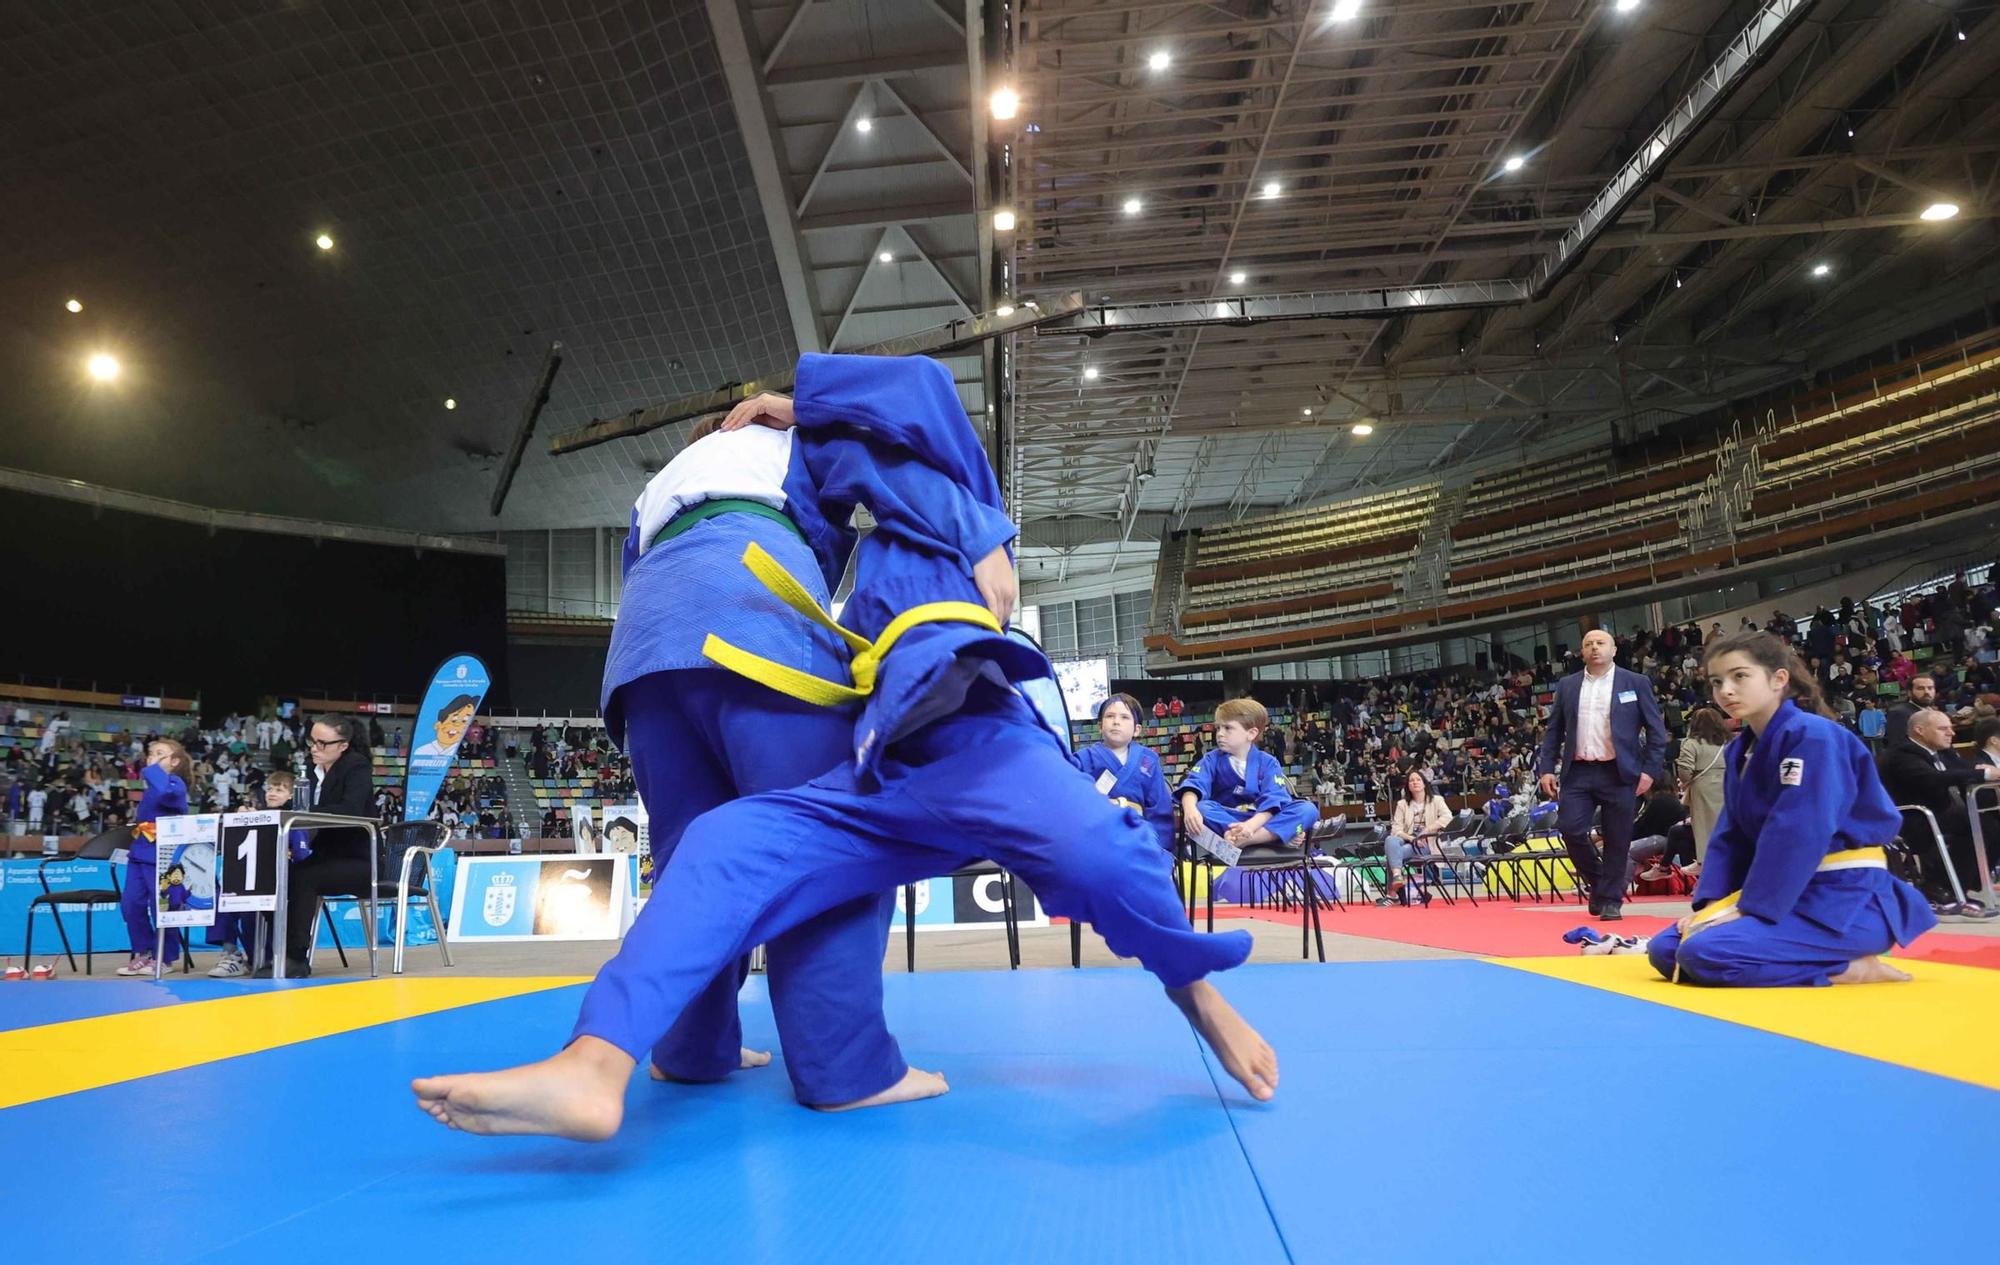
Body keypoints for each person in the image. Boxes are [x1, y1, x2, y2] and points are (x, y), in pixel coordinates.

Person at [413, 354, 1273, 1143]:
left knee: (1097, 856)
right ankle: (596, 1063)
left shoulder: (945, 498)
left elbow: (919, 399)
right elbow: (890, 435)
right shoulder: (869, 522)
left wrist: (1196, 996)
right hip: (878, 760)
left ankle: (714, 1049)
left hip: (965, 738)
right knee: (725, 844)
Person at [1648, 632, 1935, 986]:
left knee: (1702, 953)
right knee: (1665, 949)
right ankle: (1812, 954)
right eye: (1717, 682)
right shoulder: (1741, 750)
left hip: (1842, 899)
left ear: (1778, 679)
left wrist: (1747, 907)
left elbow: (1799, 829)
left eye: (1740, 676)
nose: (1726, 690)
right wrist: (1713, 906)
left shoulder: (1813, 737)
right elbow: (1730, 835)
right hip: (1785, 894)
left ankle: (1847, 967)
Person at [1534, 628, 1667, 921]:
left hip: (1620, 771)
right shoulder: (1568, 686)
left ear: (1614, 650)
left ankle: (1610, 901)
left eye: (1601, 643)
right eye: (1588, 644)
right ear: (1582, 651)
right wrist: (1546, 768)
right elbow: (1553, 731)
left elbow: (1657, 733)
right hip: (1578, 771)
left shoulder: (1635, 682)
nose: (1595, 648)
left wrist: (1649, 772)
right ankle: (1599, 882)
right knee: (1570, 829)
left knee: (1618, 838)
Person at [265, 716, 376, 977]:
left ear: (343, 745)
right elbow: (299, 810)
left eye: (323, 743)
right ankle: (274, 952)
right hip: (324, 858)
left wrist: (307, 812)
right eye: (312, 741)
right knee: (273, 877)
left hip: (358, 860)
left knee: (305, 876)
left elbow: (351, 809)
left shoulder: (356, 766)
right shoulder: (309, 770)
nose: (315, 748)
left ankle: (296, 957)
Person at [1876, 707, 2000, 903]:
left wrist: (1981, 769)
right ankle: (1939, 884)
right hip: (1911, 819)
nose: (1952, 733)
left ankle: (1965, 884)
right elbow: (1931, 779)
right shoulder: (1901, 754)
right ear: (1920, 730)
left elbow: (1962, 769)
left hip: (1941, 814)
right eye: (1943, 728)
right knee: (1983, 826)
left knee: (1991, 823)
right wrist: (1982, 774)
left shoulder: (1943, 752)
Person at [1177, 697, 1320, 849]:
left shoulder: (1268, 762)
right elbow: (1193, 785)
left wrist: (1250, 827)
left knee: (1308, 809)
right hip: (1228, 819)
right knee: (1202, 807)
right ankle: (1275, 837)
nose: (1219, 734)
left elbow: (1274, 801)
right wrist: (1190, 808)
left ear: (1251, 733)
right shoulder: (1211, 759)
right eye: (1218, 728)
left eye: (1228, 728)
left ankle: (1250, 839)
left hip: (1262, 820)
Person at [115, 739, 194, 976]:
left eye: (160, 754)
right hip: (140, 851)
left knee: (161, 905)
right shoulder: (153, 786)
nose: (152, 757)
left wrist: (151, 769)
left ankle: (165, 957)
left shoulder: (175, 784)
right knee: (131, 904)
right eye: (151, 754)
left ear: (175, 761)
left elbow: (163, 790)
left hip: (164, 854)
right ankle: (144, 952)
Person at [1075, 693, 1174, 852]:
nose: (1116, 722)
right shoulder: (1083, 759)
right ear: (1100, 726)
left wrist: (1160, 852)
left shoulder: (1148, 760)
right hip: (1098, 837)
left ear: (1137, 729)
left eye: (1124, 717)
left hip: (1138, 838)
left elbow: (1159, 810)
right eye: (1110, 716)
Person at [1378, 769, 1451, 906]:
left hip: (1427, 844)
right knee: (1390, 840)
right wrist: (1411, 838)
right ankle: (1397, 876)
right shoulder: (1402, 804)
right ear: (1408, 786)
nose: (1415, 782)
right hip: (1408, 841)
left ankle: (1392, 894)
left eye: (1418, 779)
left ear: (1424, 783)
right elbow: (1396, 829)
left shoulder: (1437, 800)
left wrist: (1428, 830)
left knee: (1392, 854)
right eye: (1411, 780)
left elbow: (1447, 817)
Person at [1673, 706, 1731, 872]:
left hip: (1703, 787)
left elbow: (1684, 770)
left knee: (1704, 827)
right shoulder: (1729, 742)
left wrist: (1685, 782)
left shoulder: (1691, 743)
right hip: (1727, 784)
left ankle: (1704, 862)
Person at [413, 695, 478, 759]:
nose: (457, 725)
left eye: (464, 721)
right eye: (454, 719)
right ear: (437, 725)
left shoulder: (460, 747)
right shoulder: (422, 751)